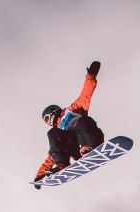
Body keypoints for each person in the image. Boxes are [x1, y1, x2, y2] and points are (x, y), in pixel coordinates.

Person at [33, 60, 106, 188]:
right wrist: (40, 176)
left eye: (46, 119)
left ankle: (88, 150)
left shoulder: (73, 109)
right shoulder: (57, 132)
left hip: (90, 139)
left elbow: (85, 94)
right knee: (53, 133)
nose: (48, 123)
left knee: (82, 120)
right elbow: (52, 155)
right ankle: (62, 164)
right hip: (76, 150)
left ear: (53, 113)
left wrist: (91, 76)